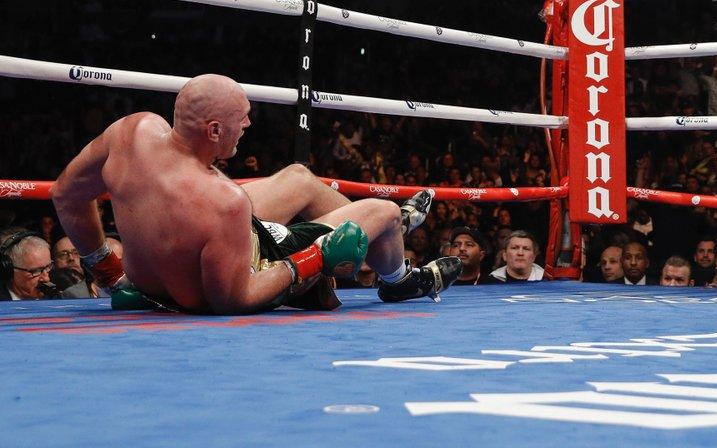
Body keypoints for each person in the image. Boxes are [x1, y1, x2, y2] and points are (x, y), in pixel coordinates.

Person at [51, 74, 459, 314]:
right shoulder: (223, 201)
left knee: (299, 177)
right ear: (214, 130)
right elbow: (232, 299)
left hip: (154, 278)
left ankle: (388, 243)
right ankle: (397, 276)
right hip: (239, 271)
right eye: (241, 118)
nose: (247, 125)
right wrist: (316, 258)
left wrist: (108, 272)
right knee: (384, 212)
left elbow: (66, 195)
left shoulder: (130, 132)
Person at [1, 230, 53, 301]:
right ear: (10, 271)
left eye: (48, 267)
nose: (46, 278)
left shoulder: (56, 299)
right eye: (35, 271)